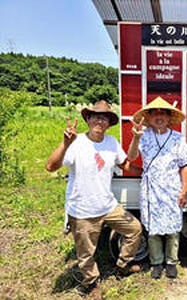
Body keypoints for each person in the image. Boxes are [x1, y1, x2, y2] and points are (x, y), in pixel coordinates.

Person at [46, 100, 143, 299]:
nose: (100, 120)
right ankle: (91, 284)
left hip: (107, 205)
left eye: (105, 118)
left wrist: (145, 172)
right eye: (96, 116)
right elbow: (50, 166)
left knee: (134, 229)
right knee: (85, 254)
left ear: (109, 123)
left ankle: (123, 266)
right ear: (88, 119)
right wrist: (65, 143)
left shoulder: (111, 143)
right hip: (82, 210)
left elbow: (125, 163)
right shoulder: (76, 142)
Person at [127, 97, 187, 280]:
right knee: (153, 228)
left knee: (172, 228)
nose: (159, 116)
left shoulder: (178, 138)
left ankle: (171, 262)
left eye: (163, 112)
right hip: (150, 189)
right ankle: (156, 262)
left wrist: (184, 189)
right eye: (155, 112)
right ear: (149, 117)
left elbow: (184, 165)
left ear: (169, 116)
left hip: (172, 188)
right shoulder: (144, 135)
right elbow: (131, 157)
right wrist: (135, 137)